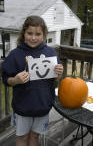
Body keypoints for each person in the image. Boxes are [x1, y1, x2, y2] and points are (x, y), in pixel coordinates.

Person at [2, 15, 63, 146]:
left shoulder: (51, 52)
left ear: (44, 34)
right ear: (24, 33)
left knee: (35, 136)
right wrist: (16, 80)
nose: (33, 37)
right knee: (22, 137)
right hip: (22, 107)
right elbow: (6, 79)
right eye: (30, 33)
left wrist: (59, 74)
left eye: (38, 34)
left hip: (42, 106)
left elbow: (55, 78)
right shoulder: (15, 55)